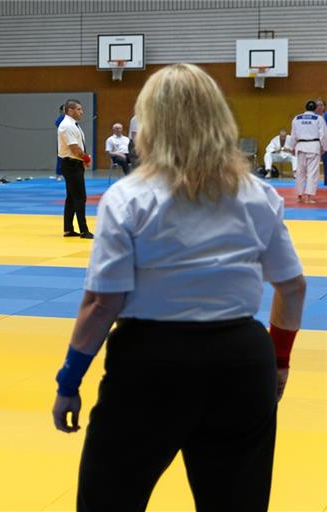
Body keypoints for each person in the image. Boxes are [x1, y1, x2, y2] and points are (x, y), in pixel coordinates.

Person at [51, 63, 306, 512]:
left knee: (109, 499)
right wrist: (279, 359)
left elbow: (102, 302)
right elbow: (294, 286)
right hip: (242, 360)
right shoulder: (256, 195)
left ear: (149, 124)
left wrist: (70, 379)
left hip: (151, 361)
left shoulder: (130, 197)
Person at [57, 99, 93, 239]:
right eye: (79, 109)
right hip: (71, 164)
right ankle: (84, 230)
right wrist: (86, 158)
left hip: (73, 163)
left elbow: (77, 147)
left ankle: (68, 229)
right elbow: (75, 148)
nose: (81, 112)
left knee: (72, 197)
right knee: (80, 197)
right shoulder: (67, 126)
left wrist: (83, 159)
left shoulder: (72, 125)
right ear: (70, 110)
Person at [291, 100, 327, 203]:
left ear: (305, 107)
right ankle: (309, 196)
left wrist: (292, 147)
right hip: (313, 146)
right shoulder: (319, 118)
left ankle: (300, 195)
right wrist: (324, 147)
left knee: (300, 172)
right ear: (315, 108)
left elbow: (293, 134)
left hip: (301, 146)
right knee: (312, 173)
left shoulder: (297, 118)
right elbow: (323, 135)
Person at [316, 98, 327, 185]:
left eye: (321, 105)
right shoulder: (312, 117)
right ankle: (311, 185)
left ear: (324, 107)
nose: (319, 107)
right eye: (317, 105)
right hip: (314, 143)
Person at [55, 105, 65, 181]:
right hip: (62, 141)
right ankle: (59, 174)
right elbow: (57, 123)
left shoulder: (71, 118)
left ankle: (66, 174)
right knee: (60, 158)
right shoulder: (61, 118)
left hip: (70, 141)